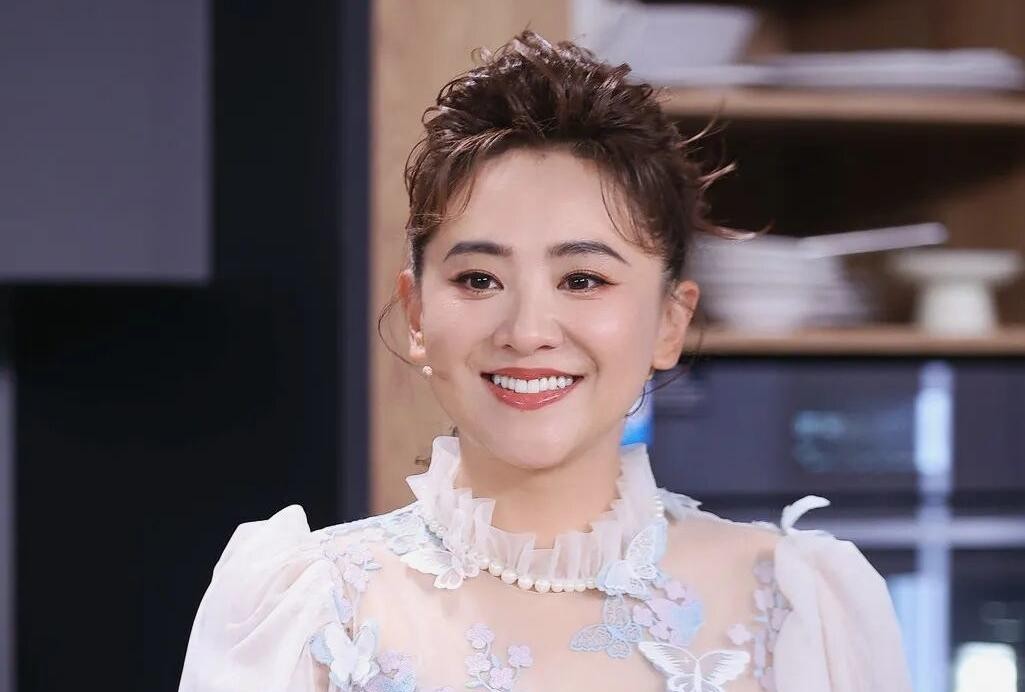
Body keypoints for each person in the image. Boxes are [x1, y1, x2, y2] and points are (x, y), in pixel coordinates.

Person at [177, 29, 913, 692]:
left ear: (670, 320)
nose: (527, 331)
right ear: (417, 314)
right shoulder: (306, 608)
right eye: (478, 280)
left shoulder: (798, 605)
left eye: (582, 280)